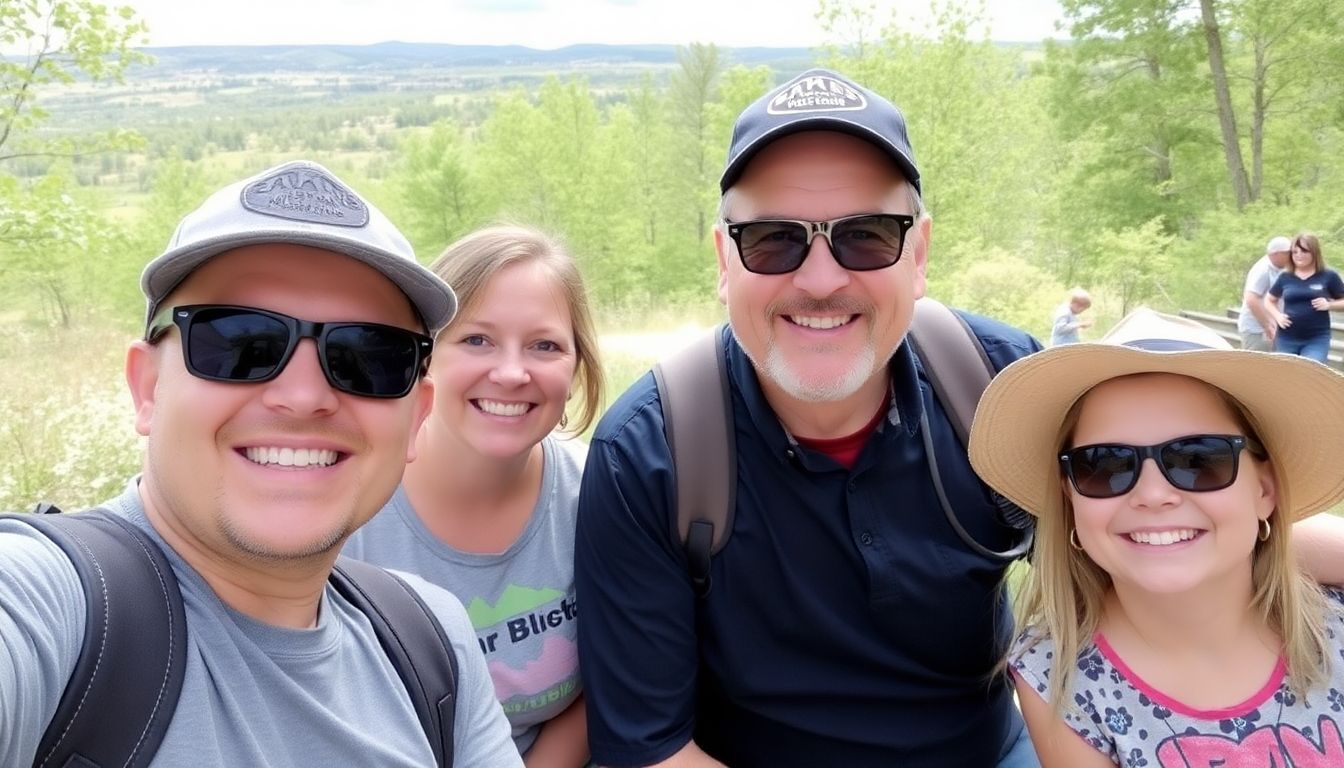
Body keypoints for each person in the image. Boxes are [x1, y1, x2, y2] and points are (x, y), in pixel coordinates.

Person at [574, 67, 1044, 767]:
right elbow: (650, 751)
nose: (821, 280)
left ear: (918, 255)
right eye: (772, 239)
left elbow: (1130, 589)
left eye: (867, 235)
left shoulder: (999, 387)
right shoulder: (650, 455)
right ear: (723, 261)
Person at [0, 160, 522, 767]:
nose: (303, 397)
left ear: (416, 417)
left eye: (368, 356)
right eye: (240, 342)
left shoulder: (432, 641)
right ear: (147, 388)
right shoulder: (48, 608)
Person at [968, 308, 1344, 767]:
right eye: (1105, 465)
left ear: (1265, 490)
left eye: (1199, 459)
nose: (1152, 494)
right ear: (1071, 502)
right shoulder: (1060, 678)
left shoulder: (1333, 625)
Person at [345, 225, 603, 766]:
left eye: (545, 345)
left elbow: (606, 684)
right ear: (424, 356)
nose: (511, 373)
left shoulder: (598, 495)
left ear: (576, 368)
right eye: (477, 339)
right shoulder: (350, 509)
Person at [1265, 233, 1344, 363]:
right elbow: (1269, 300)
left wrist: (1329, 305)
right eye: (1295, 252)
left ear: (1314, 252)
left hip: (1316, 338)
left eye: (1304, 251)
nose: (1298, 255)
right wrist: (1277, 316)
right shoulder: (1285, 276)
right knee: (1285, 373)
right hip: (1287, 337)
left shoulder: (1329, 275)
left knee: (1310, 371)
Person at [1237, 235, 1292, 351]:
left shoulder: (1280, 269)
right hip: (1257, 329)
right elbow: (1251, 298)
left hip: (1274, 328)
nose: (1291, 256)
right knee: (1257, 365)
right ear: (1276, 254)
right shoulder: (1263, 270)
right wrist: (1267, 324)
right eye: (1288, 253)